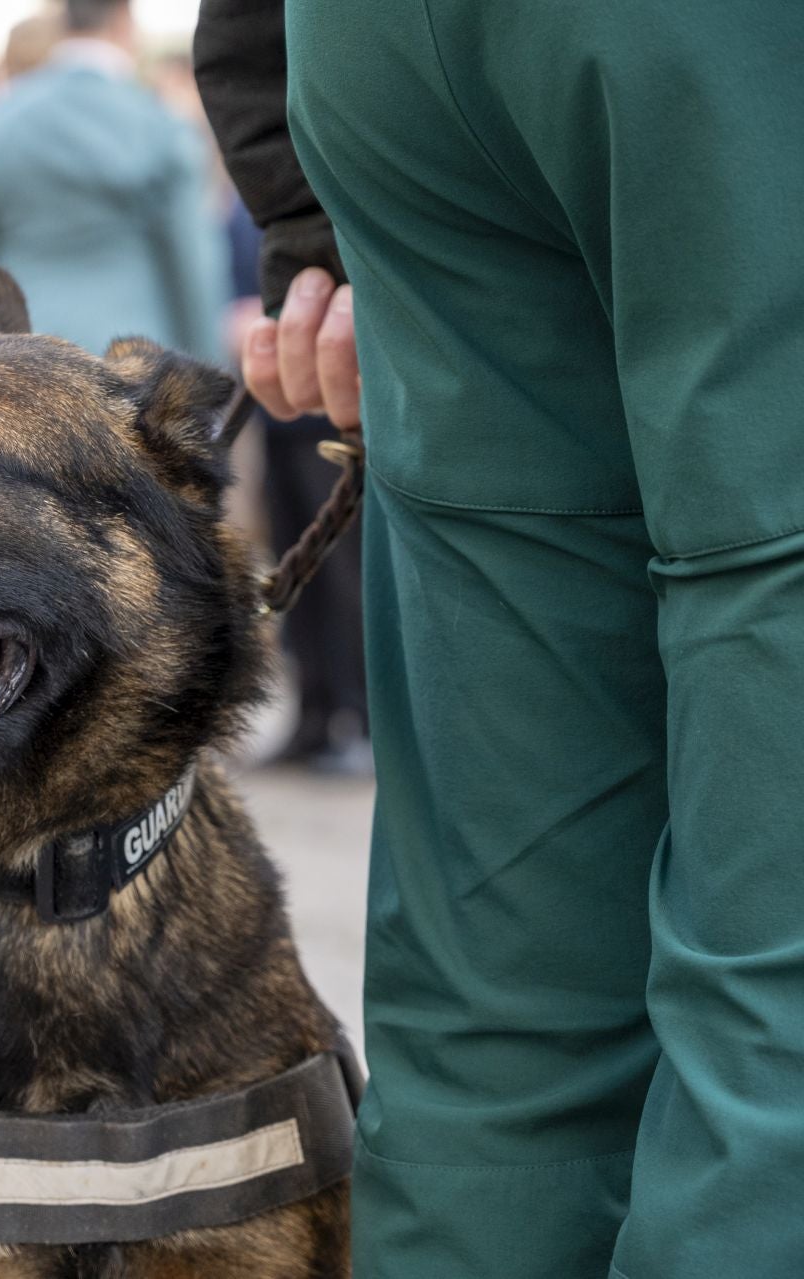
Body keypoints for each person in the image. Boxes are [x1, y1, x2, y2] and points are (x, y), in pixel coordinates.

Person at [196, 0, 804, 1274]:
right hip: (721, 55)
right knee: (779, 982)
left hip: (380, 57)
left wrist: (306, 210)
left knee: (505, 1006)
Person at [0, 0, 226, 360]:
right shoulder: (160, 127)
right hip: (131, 362)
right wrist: (211, 370)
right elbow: (193, 265)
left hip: (17, 361)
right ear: (125, 19)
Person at [225, 199, 367, 774]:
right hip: (274, 408)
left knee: (346, 576)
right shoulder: (247, 203)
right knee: (294, 574)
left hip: (334, 411)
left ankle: (362, 722)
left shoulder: (322, 189)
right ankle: (313, 715)